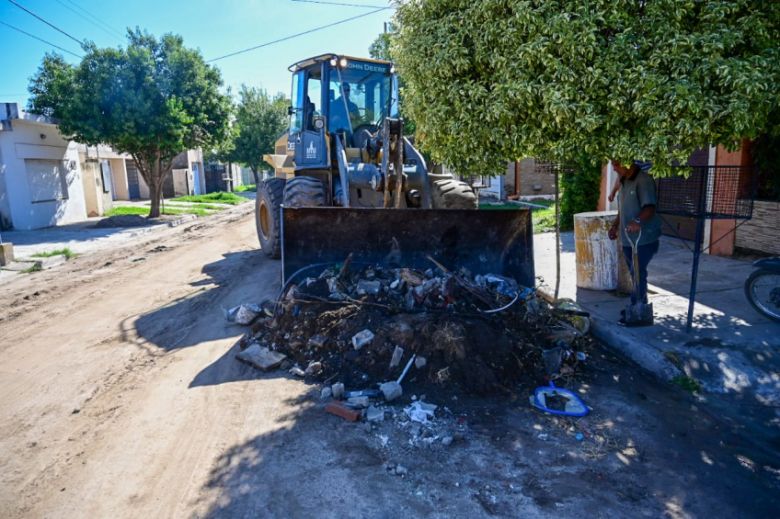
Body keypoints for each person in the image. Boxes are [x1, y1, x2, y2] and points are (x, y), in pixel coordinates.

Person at [608, 160, 662, 326]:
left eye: (617, 164)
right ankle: (638, 305)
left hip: (644, 239)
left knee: (638, 272)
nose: (614, 168)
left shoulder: (644, 180)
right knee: (635, 273)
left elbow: (650, 207)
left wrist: (637, 221)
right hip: (628, 238)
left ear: (628, 163)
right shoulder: (625, 182)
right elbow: (623, 208)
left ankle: (638, 308)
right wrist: (615, 226)